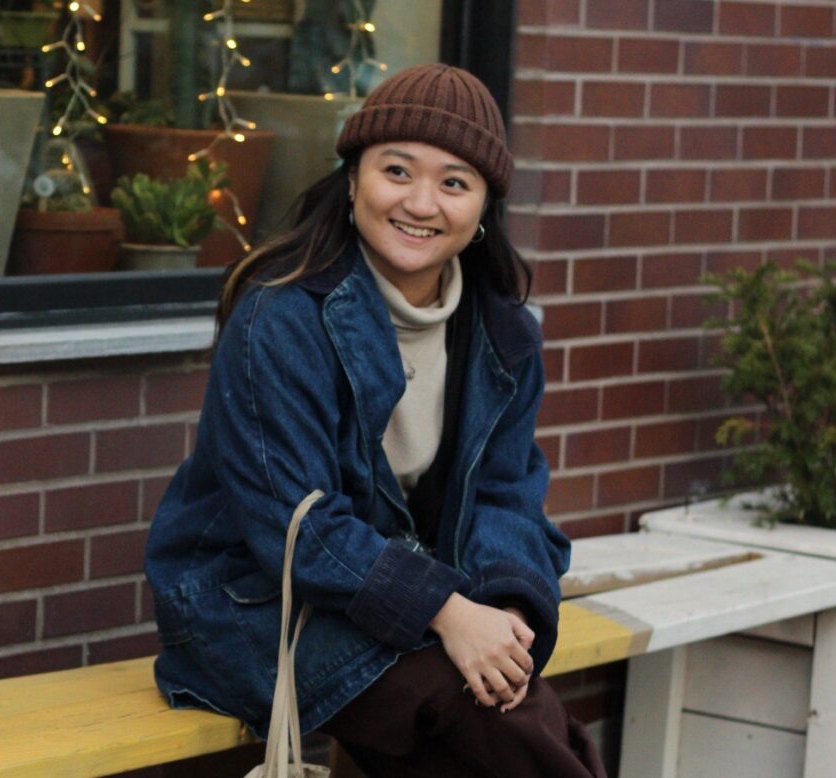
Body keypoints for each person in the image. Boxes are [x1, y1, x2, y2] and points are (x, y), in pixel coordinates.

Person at [145, 63, 606, 778]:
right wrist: (451, 612)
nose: (422, 202)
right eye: (397, 171)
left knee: (508, 705)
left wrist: (505, 615)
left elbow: (506, 494)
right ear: (353, 177)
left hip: (401, 608)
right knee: (480, 715)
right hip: (255, 608)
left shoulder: (503, 335)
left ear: (483, 205)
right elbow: (294, 526)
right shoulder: (283, 317)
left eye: (454, 182)